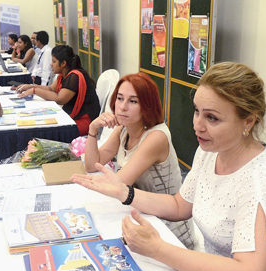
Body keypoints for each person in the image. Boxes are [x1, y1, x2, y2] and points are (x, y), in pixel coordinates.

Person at [72, 62, 266, 271]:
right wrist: (125, 192)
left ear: (248, 120)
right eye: (197, 111)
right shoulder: (209, 153)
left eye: (212, 118)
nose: (197, 125)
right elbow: (179, 205)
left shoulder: (265, 178)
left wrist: (157, 249)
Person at [84, 73, 196, 249]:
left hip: (168, 228)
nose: (122, 107)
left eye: (133, 101)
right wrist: (92, 129)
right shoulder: (124, 129)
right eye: (120, 99)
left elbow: (118, 183)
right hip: (141, 213)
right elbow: (92, 165)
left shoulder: (156, 136)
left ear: (147, 105)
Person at [18, 45, 100, 136]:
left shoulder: (74, 76)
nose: (51, 64)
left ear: (63, 63)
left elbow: (60, 99)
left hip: (85, 120)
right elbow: (51, 89)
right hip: (75, 117)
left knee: (51, 132)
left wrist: (34, 90)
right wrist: (30, 86)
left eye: (54, 61)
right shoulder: (63, 75)